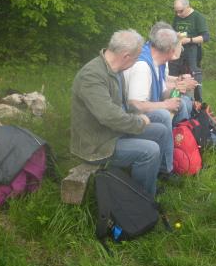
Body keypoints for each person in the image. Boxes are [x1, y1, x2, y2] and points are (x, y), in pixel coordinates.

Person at [70, 29, 173, 196]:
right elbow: (108, 115)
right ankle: (142, 199)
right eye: (136, 57)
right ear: (126, 56)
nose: (137, 61)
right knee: (150, 150)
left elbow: (123, 104)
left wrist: (137, 112)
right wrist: (139, 122)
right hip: (98, 145)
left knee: (160, 131)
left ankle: (154, 177)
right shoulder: (91, 76)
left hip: (114, 132)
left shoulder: (115, 70)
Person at [123, 22, 195, 177]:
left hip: (141, 109)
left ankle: (181, 149)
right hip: (128, 116)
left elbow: (163, 92)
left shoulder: (158, 61)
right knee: (163, 115)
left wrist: (178, 88)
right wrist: (165, 104)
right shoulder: (143, 66)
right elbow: (134, 104)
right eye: (176, 48)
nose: (176, 52)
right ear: (169, 49)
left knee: (180, 104)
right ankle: (166, 169)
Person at [170, 0, 210, 102]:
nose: (178, 14)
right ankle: (175, 102)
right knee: (173, 76)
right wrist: (175, 36)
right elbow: (172, 32)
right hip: (177, 52)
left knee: (194, 77)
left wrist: (189, 40)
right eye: (176, 11)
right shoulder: (177, 17)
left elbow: (206, 37)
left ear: (187, 6)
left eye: (180, 11)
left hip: (192, 52)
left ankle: (197, 105)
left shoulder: (198, 17)